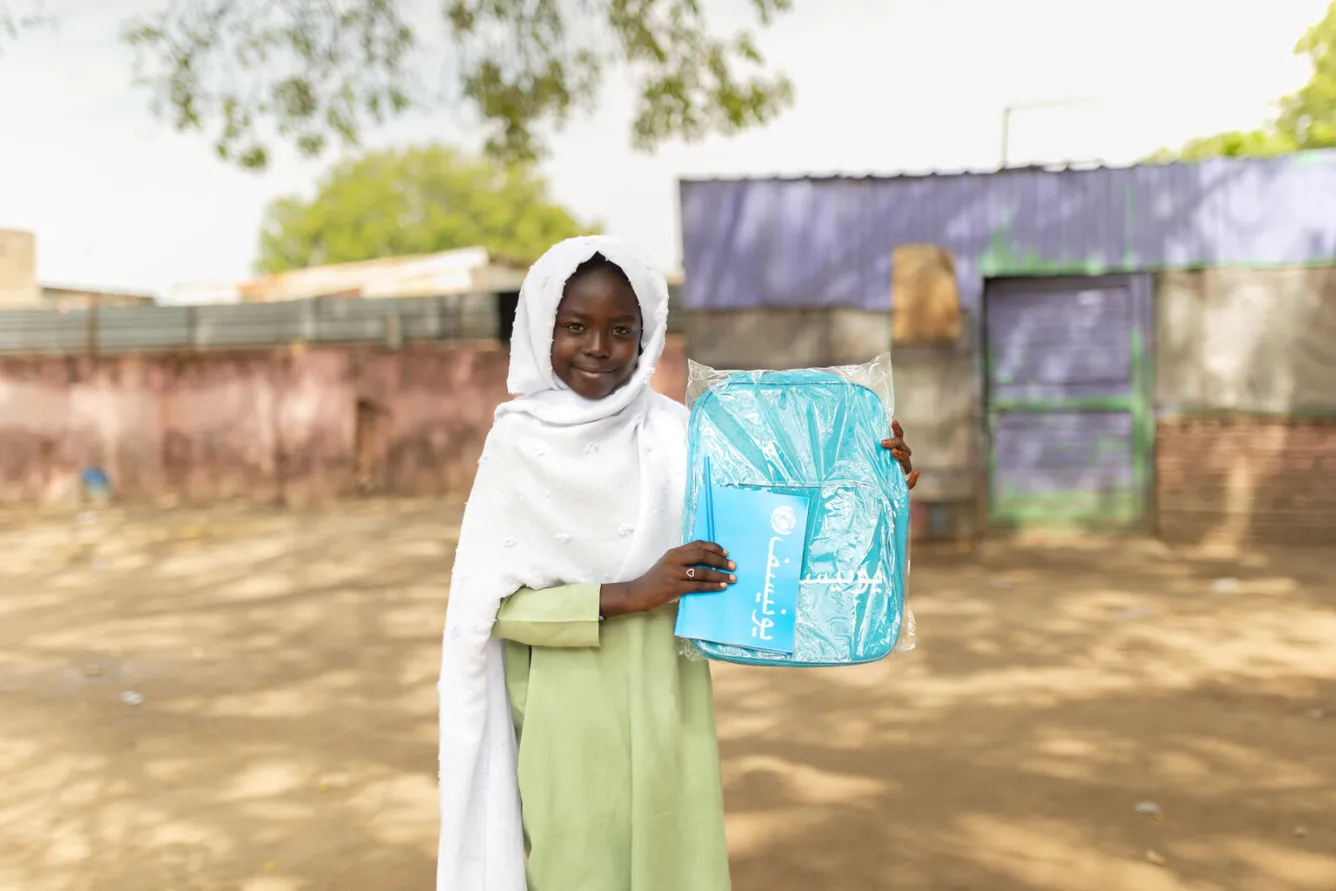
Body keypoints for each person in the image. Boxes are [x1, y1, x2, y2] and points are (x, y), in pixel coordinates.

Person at [436, 236, 918, 891]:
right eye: (575, 326)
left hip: (672, 705)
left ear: (649, 335)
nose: (599, 346)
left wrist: (872, 477)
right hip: (564, 718)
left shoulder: (682, 434)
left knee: (678, 867)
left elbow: (777, 525)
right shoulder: (517, 445)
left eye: (621, 329)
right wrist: (627, 592)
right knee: (578, 866)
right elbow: (490, 612)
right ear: (537, 326)